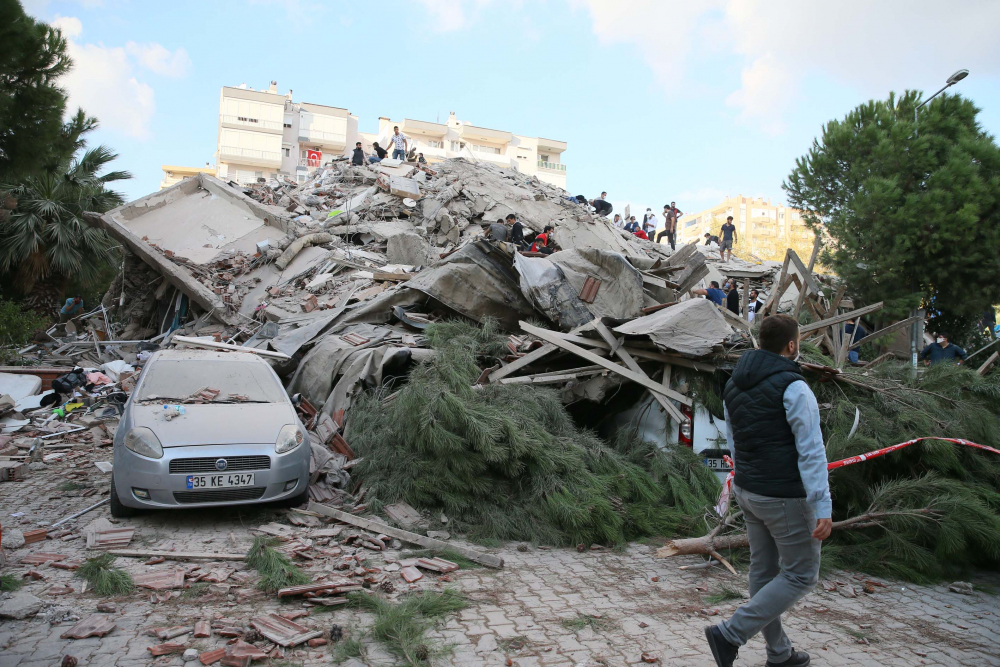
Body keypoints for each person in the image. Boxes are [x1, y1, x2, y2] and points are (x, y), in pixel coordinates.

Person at [705, 313, 831, 667]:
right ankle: (731, 633)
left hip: (749, 491)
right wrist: (823, 504)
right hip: (786, 497)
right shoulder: (794, 387)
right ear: (791, 345)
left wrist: (742, 483)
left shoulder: (733, 384)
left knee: (762, 572)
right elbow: (811, 451)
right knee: (800, 574)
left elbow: (733, 442)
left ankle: (779, 654)